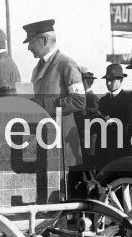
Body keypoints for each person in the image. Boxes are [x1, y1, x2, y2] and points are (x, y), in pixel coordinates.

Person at [24, 19, 86, 194]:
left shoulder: (67, 64)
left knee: (59, 193)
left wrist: (42, 105)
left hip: (61, 145)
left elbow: (79, 100)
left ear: (44, 40)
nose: (28, 48)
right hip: (43, 142)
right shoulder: (37, 68)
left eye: (31, 42)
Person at [97, 63, 131, 167]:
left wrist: (113, 122)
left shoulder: (128, 99)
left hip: (121, 150)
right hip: (104, 151)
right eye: (107, 80)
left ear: (121, 80)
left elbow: (129, 123)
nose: (109, 83)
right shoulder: (103, 100)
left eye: (112, 80)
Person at [74, 67, 100, 169]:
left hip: (89, 144)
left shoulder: (92, 99)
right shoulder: (84, 98)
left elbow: (96, 124)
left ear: (85, 82)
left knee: (89, 168)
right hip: (83, 141)